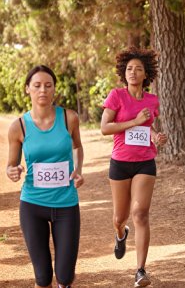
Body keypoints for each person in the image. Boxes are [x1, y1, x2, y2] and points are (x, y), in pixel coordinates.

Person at [6, 65, 84, 288]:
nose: (43, 90)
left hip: (66, 204)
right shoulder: (18, 126)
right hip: (33, 205)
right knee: (42, 277)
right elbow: (11, 165)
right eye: (37, 85)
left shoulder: (70, 118)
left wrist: (78, 170)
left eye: (48, 85)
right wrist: (12, 171)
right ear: (27, 89)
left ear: (54, 90)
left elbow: (77, 147)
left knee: (65, 276)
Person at [100, 47, 167, 288]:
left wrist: (156, 137)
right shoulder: (116, 96)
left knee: (140, 213)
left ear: (145, 73)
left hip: (144, 162)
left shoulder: (152, 100)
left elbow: (146, 129)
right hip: (120, 163)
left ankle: (140, 270)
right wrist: (135, 121)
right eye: (129, 68)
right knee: (120, 217)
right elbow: (105, 127)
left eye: (138, 68)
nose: (133, 72)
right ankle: (120, 234)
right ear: (123, 72)